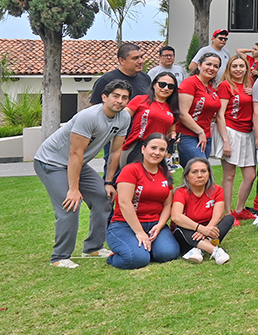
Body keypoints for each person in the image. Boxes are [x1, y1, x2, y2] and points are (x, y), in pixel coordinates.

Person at [35, 80, 131, 268]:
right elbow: (75, 153)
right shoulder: (89, 117)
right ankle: (60, 257)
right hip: (51, 161)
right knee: (70, 204)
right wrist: (73, 189)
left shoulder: (124, 118)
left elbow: (115, 152)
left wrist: (109, 182)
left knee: (103, 196)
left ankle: (93, 248)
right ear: (104, 97)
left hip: (77, 162)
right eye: (116, 96)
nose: (120, 101)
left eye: (124, 97)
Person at [106, 134, 180, 268]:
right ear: (143, 149)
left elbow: (168, 204)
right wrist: (139, 232)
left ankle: (146, 249)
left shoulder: (165, 173)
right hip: (125, 224)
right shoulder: (130, 170)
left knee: (169, 253)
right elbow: (124, 203)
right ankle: (115, 257)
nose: (157, 152)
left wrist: (160, 225)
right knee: (137, 259)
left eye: (162, 149)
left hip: (154, 224)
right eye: (153, 148)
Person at [90, 42, 151, 175]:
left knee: (140, 174)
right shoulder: (107, 79)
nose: (141, 61)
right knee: (114, 173)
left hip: (140, 137)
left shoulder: (145, 78)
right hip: (115, 136)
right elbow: (96, 108)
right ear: (121, 60)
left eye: (141, 57)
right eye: (135, 58)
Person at [216, 55, 258, 224]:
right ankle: (228, 213)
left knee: (250, 175)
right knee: (229, 175)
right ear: (229, 68)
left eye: (242, 66)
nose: (238, 69)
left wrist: (254, 93)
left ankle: (239, 209)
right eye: (235, 66)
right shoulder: (226, 85)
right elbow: (220, 114)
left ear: (247, 68)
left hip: (247, 133)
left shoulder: (250, 84)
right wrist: (225, 140)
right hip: (231, 131)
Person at [171, 157, 234, 265]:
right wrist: (200, 229)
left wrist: (206, 230)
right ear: (187, 176)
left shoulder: (217, 190)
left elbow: (217, 216)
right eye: (194, 172)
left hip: (209, 229)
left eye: (203, 171)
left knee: (229, 219)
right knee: (182, 226)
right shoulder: (181, 192)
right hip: (187, 231)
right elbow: (176, 216)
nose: (200, 175)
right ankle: (215, 251)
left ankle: (198, 249)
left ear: (209, 174)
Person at [121, 71, 178, 167]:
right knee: (131, 175)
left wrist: (173, 136)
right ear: (154, 85)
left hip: (157, 151)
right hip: (136, 146)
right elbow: (121, 119)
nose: (166, 88)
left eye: (170, 86)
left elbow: (171, 131)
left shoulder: (173, 109)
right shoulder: (140, 99)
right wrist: (120, 137)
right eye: (162, 84)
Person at [177, 52, 222, 166]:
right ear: (199, 65)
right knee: (200, 168)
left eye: (216, 66)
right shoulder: (190, 83)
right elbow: (182, 113)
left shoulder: (211, 88)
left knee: (198, 172)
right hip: (188, 135)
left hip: (206, 136)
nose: (212, 68)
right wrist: (200, 132)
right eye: (208, 64)